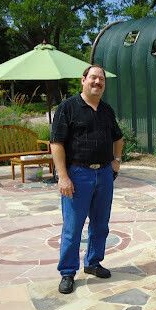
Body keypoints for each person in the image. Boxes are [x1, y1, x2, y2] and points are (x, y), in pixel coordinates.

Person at [50, 64, 124, 294]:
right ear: (83, 80)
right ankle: (68, 272)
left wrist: (116, 160)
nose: (97, 82)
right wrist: (63, 176)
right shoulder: (68, 107)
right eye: (93, 78)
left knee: (101, 224)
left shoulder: (106, 110)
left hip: (103, 174)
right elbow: (57, 144)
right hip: (77, 175)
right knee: (73, 227)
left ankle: (93, 263)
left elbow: (118, 137)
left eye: (101, 79)